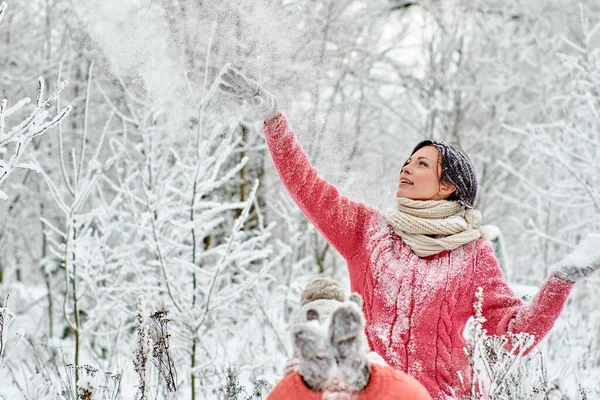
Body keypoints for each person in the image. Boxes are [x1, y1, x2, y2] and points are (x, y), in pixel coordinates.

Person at [218, 66, 600, 399]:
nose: (406, 167)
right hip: (370, 394)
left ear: (448, 185)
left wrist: (560, 280)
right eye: (407, 160)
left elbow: (513, 334)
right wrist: (274, 120)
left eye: (421, 163)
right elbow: (307, 186)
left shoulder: (473, 255)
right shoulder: (369, 231)